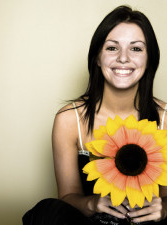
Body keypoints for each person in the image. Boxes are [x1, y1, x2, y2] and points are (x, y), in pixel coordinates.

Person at [23, 5, 167, 225]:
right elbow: (67, 196)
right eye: (112, 48)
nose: (123, 58)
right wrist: (92, 203)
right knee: (47, 210)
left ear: (149, 60)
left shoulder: (165, 118)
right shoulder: (70, 120)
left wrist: (164, 209)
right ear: (97, 58)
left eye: (136, 49)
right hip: (92, 223)